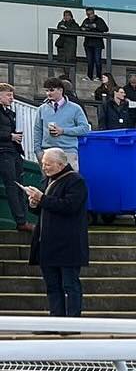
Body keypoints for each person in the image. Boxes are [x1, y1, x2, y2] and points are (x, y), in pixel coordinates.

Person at [25, 149, 88, 316]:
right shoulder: (48, 180)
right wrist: (34, 204)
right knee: (52, 286)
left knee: (70, 285)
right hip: (47, 243)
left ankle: (72, 322)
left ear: (61, 164)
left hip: (68, 244)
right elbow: (46, 209)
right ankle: (55, 319)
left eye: (48, 164)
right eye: (43, 163)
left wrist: (42, 199)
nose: (44, 167)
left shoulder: (76, 181)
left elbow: (69, 206)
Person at [32, 79, 90, 170]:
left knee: (69, 182)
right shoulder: (41, 109)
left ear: (60, 90)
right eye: (46, 90)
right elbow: (37, 130)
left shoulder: (75, 108)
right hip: (47, 151)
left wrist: (63, 131)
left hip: (68, 151)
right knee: (49, 183)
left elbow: (85, 128)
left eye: (51, 90)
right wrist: (38, 151)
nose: (48, 93)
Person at [0, 85, 30, 232]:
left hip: (14, 151)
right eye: (8, 95)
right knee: (13, 186)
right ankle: (21, 220)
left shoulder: (10, 113)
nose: (11, 98)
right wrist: (10, 136)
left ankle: (22, 220)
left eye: (12, 95)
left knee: (19, 186)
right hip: (4, 152)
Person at [80, 9, 108, 81]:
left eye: (91, 14)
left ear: (94, 13)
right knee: (89, 61)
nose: (89, 16)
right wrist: (83, 28)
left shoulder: (99, 20)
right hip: (88, 43)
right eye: (88, 14)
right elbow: (81, 28)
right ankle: (89, 76)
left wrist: (95, 26)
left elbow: (105, 29)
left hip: (97, 44)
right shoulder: (86, 20)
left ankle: (98, 76)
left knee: (97, 60)